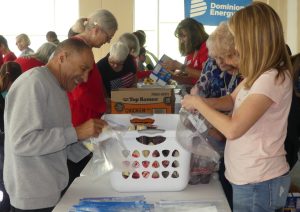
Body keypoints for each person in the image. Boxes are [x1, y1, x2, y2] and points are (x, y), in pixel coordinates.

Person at [181, 2, 292, 211]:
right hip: (248, 178)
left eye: (238, 40)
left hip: (259, 180)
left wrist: (198, 103)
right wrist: (203, 103)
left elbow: (232, 129)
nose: (236, 48)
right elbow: (231, 100)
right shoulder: (258, 73)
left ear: (252, 40)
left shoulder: (271, 78)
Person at [4, 38, 107, 211]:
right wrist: (76, 132)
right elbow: (22, 142)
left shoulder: (58, 87)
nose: (85, 77)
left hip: (51, 189)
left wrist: (93, 143)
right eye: (83, 69)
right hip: (33, 197)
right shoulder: (33, 83)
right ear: (62, 58)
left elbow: (59, 145)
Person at [189, 22, 242, 210]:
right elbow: (201, 89)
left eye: (223, 57)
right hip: (214, 129)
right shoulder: (212, 62)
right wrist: (197, 105)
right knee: (218, 182)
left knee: (230, 186)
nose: (219, 63)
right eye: (215, 57)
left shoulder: (246, 71)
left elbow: (236, 112)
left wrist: (202, 107)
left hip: (235, 137)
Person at [66, 9, 118, 191]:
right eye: (108, 36)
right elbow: (79, 91)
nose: (108, 41)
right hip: (79, 122)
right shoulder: (76, 48)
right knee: (76, 178)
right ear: (96, 29)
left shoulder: (85, 49)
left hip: (88, 120)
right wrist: (104, 105)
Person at [0, 62, 22, 212]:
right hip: (4, 144)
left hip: (6, 142)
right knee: (6, 186)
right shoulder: (13, 93)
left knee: (7, 185)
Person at [162, 18, 208, 87]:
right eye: (180, 38)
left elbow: (207, 76)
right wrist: (172, 76)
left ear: (194, 35)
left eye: (184, 36)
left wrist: (179, 66)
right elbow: (191, 80)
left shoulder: (206, 48)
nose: (182, 41)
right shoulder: (190, 53)